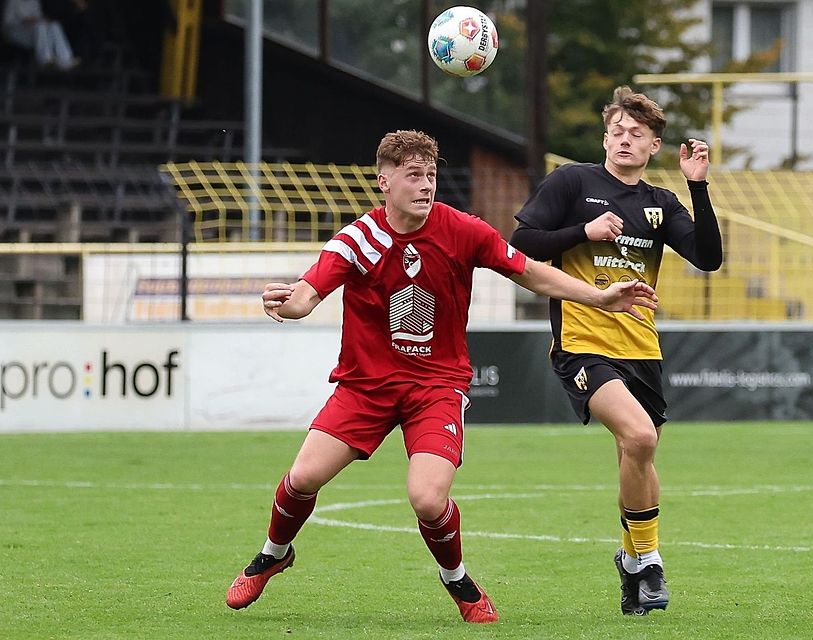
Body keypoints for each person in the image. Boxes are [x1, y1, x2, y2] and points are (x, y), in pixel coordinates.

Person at [225, 130, 659, 624]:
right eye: (414, 175)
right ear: (384, 181)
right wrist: (288, 304)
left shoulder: (462, 229)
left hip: (436, 387)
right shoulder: (358, 239)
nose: (426, 184)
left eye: (431, 174)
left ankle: (457, 580)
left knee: (428, 499)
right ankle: (274, 554)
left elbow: (528, 271)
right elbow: (307, 294)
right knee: (303, 477)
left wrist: (598, 297)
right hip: (365, 387)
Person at [509, 86, 723, 616]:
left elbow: (707, 257)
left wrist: (697, 186)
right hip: (582, 342)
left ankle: (629, 562)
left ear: (654, 147)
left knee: (637, 456)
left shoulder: (660, 203)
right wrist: (583, 230)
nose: (625, 140)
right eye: (617, 132)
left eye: (636, 134)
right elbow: (521, 244)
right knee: (640, 435)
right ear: (605, 138)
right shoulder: (573, 182)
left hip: (641, 346)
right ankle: (649, 562)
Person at [1, 0, 79, 70]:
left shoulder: (35, 1)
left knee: (54, 25)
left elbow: (38, 17)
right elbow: (17, 21)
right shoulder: (13, 1)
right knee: (40, 26)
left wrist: (45, 21)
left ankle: (66, 59)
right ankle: (45, 59)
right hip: (14, 31)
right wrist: (35, 21)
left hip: (32, 31)